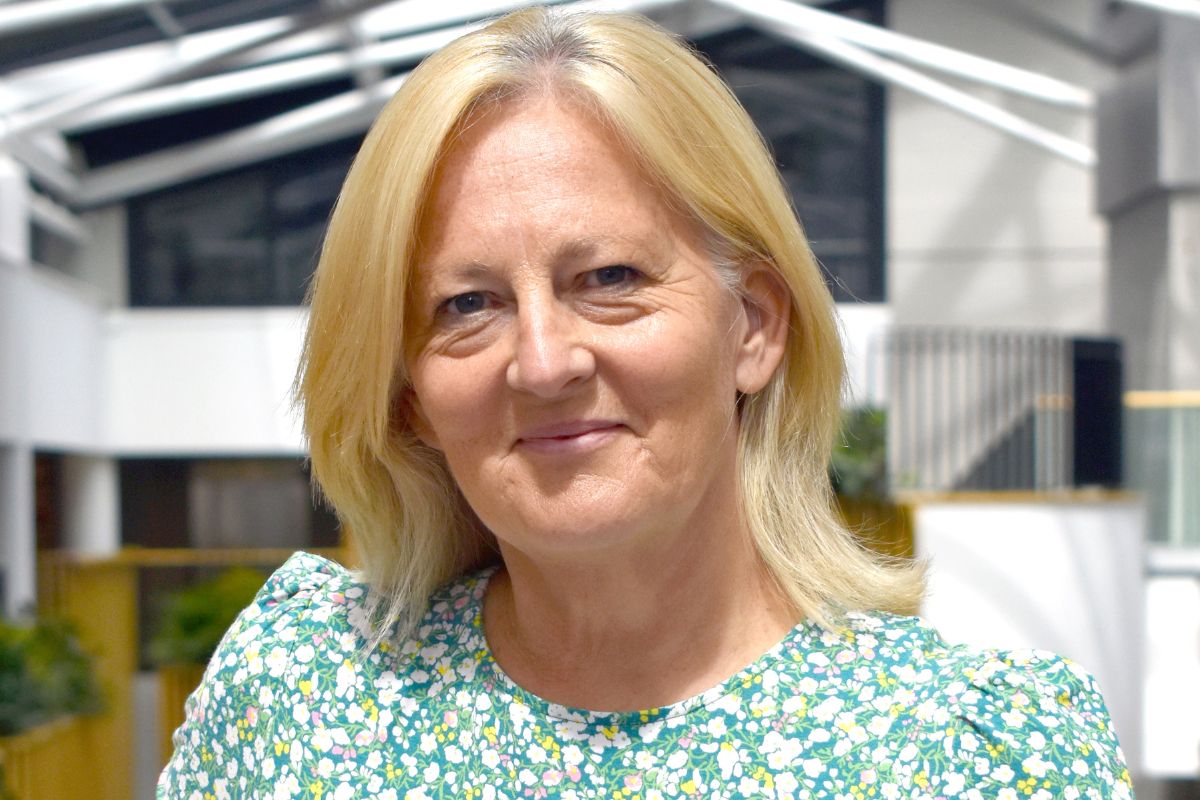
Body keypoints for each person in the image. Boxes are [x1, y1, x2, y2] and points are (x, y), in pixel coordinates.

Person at [159, 8, 1132, 799]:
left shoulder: (977, 753)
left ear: (751, 325)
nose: (542, 360)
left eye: (609, 276)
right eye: (467, 304)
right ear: (410, 395)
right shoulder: (305, 704)